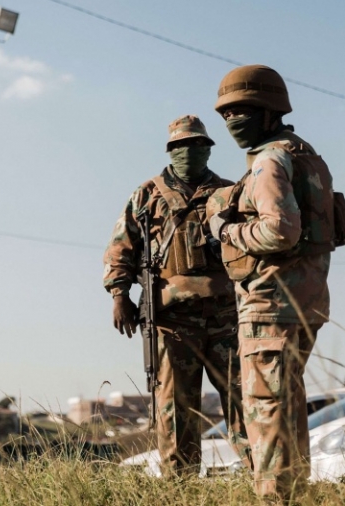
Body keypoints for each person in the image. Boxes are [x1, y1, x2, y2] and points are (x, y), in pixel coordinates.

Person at [209, 65, 336, 500]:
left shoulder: (269, 160)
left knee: (265, 411)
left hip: (270, 304)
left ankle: (275, 497)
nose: (231, 121)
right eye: (225, 114)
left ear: (268, 110)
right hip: (307, 300)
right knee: (288, 408)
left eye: (240, 111)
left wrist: (227, 231)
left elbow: (281, 230)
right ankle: (295, 495)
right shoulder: (308, 156)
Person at [103, 115, 250, 476]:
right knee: (174, 408)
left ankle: (262, 479)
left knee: (243, 400)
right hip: (172, 320)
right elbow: (121, 248)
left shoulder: (228, 192)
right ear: (170, 150)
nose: (189, 151)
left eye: (197, 144)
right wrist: (120, 295)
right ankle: (180, 486)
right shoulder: (146, 195)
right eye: (182, 145)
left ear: (208, 149)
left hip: (226, 316)